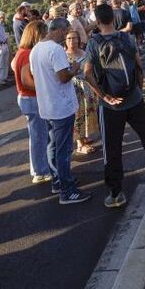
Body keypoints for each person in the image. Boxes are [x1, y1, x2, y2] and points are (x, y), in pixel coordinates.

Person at [84, 3, 145, 209]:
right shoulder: (127, 38)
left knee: (112, 146)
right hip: (134, 98)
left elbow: (87, 73)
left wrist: (104, 96)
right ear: (113, 18)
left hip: (111, 104)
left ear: (97, 20)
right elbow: (139, 66)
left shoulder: (94, 43)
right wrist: (138, 90)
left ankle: (116, 192)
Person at [29, 18, 92, 204]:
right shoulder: (55, 49)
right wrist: (74, 68)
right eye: (66, 32)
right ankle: (67, 191)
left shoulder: (36, 49)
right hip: (61, 107)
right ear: (59, 30)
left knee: (53, 146)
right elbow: (63, 77)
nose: (67, 36)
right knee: (63, 151)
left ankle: (58, 182)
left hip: (47, 106)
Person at [10, 20, 54, 184]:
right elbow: (26, 80)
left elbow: (14, 67)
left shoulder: (21, 52)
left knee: (40, 135)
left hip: (26, 97)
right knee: (39, 137)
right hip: (32, 98)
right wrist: (46, 86)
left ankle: (42, 167)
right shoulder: (28, 54)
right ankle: (40, 171)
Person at [65, 30, 98, 155]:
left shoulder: (84, 53)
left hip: (86, 87)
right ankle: (80, 143)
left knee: (87, 113)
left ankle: (84, 137)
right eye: (69, 38)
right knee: (77, 115)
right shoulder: (64, 55)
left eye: (74, 38)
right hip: (73, 88)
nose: (72, 41)